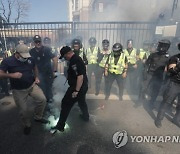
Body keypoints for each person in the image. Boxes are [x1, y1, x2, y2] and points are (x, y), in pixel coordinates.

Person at [0, 44, 48, 135]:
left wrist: (36, 77)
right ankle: (27, 124)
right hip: (18, 90)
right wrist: (11, 75)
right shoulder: (7, 61)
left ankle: (38, 117)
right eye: (23, 56)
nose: (25, 58)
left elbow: (35, 67)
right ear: (17, 53)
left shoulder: (30, 59)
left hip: (31, 85)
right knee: (24, 110)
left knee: (42, 100)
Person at [52, 46, 89, 132]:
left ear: (68, 53)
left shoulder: (74, 61)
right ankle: (86, 117)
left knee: (65, 103)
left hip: (77, 87)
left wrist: (76, 91)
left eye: (65, 56)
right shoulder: (75, 58)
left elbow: (80, 76)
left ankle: (60, 126)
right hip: (83, 86)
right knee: (81, 101)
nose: (65, 59)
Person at [155, 42, 180, 128]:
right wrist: (178, 67)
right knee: (167, 102)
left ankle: (176, 119)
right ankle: (158, 119)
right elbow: (171, 69)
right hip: (175, 83)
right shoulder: (175, 58)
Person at [141, 39, 170, 109]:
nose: (161, 47)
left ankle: (151, 103)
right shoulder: (153, 55)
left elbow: (169, 69)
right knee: (144, 88)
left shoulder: (168, 57)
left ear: (167, 47)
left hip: (159, 76)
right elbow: (147, 64)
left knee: (155, 90)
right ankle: (140, 101)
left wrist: (166, 79)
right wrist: (145, 72)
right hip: (150, 74)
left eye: (163, 45)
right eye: (160, 45)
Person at [29, 35, 58, 105]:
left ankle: (50, 108)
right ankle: (43, 107)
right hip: (38, 75)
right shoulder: (31, 52)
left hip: (48, 74)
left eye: (39, 41)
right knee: (41, 92)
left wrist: (54, 71)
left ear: (41, 42)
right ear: (34, 43)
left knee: (49, 90)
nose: (38, 43)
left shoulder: (47, 49)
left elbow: (55, 59)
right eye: (36, 42)